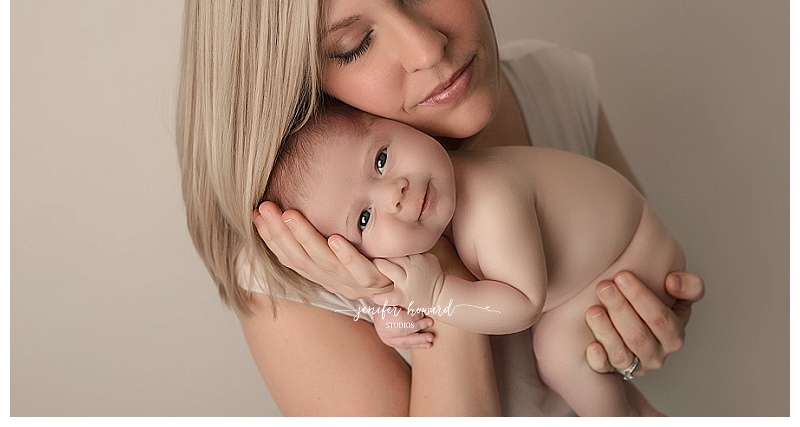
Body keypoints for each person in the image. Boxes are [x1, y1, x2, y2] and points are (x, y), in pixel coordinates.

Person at [176, 0, 705, 416]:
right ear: (303, 89)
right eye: (354, 44)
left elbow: (630, 296)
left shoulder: (555, 87)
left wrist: (637, 336)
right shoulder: (295, 263)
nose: (427, 50)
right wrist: (430, 278)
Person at [264, 102, 684, 416]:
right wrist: (393, 316)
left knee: (559, 350)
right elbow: (403, 300)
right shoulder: (423, 227)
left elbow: (521, 304)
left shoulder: (490, 199)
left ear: (396, 123)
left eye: (380, 159)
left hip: (629, 251)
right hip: (600, 266)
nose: (395, 193)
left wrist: (439, 293)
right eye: (363, 218)